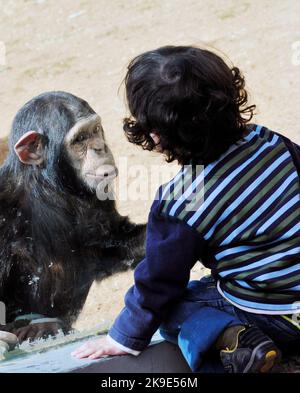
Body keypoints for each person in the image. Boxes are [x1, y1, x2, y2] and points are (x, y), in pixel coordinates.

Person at [72, 46, 300, 373]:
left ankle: (233, 337)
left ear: (155, 135)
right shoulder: (271, 143)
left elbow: (159, 282)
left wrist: (122, 338)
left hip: (270, 313)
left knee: (176, 307)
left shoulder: (181, 201)